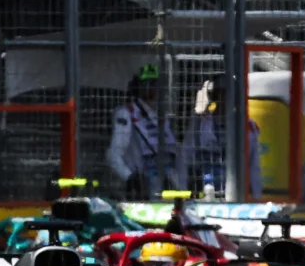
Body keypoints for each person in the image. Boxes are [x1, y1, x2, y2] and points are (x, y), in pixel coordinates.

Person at [108, 64, 184, 199]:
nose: (150, 88)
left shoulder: (162, 115)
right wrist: (131, 178)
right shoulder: (126, 113)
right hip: (144, 186)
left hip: (170, 183)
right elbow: (113, 155)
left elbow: (176, 153)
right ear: (137, 86)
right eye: (145, 83)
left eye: (154, 83)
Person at [179, 75, 262, 199]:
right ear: (213, 97)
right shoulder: (199, 123)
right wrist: (183, 191)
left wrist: (256, 197)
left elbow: (254, 166)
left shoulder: (248, 126)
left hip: (236, 193)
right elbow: (185, 157)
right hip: (205, 192)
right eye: (219, 94)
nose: (223, 99)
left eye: (227, 95)